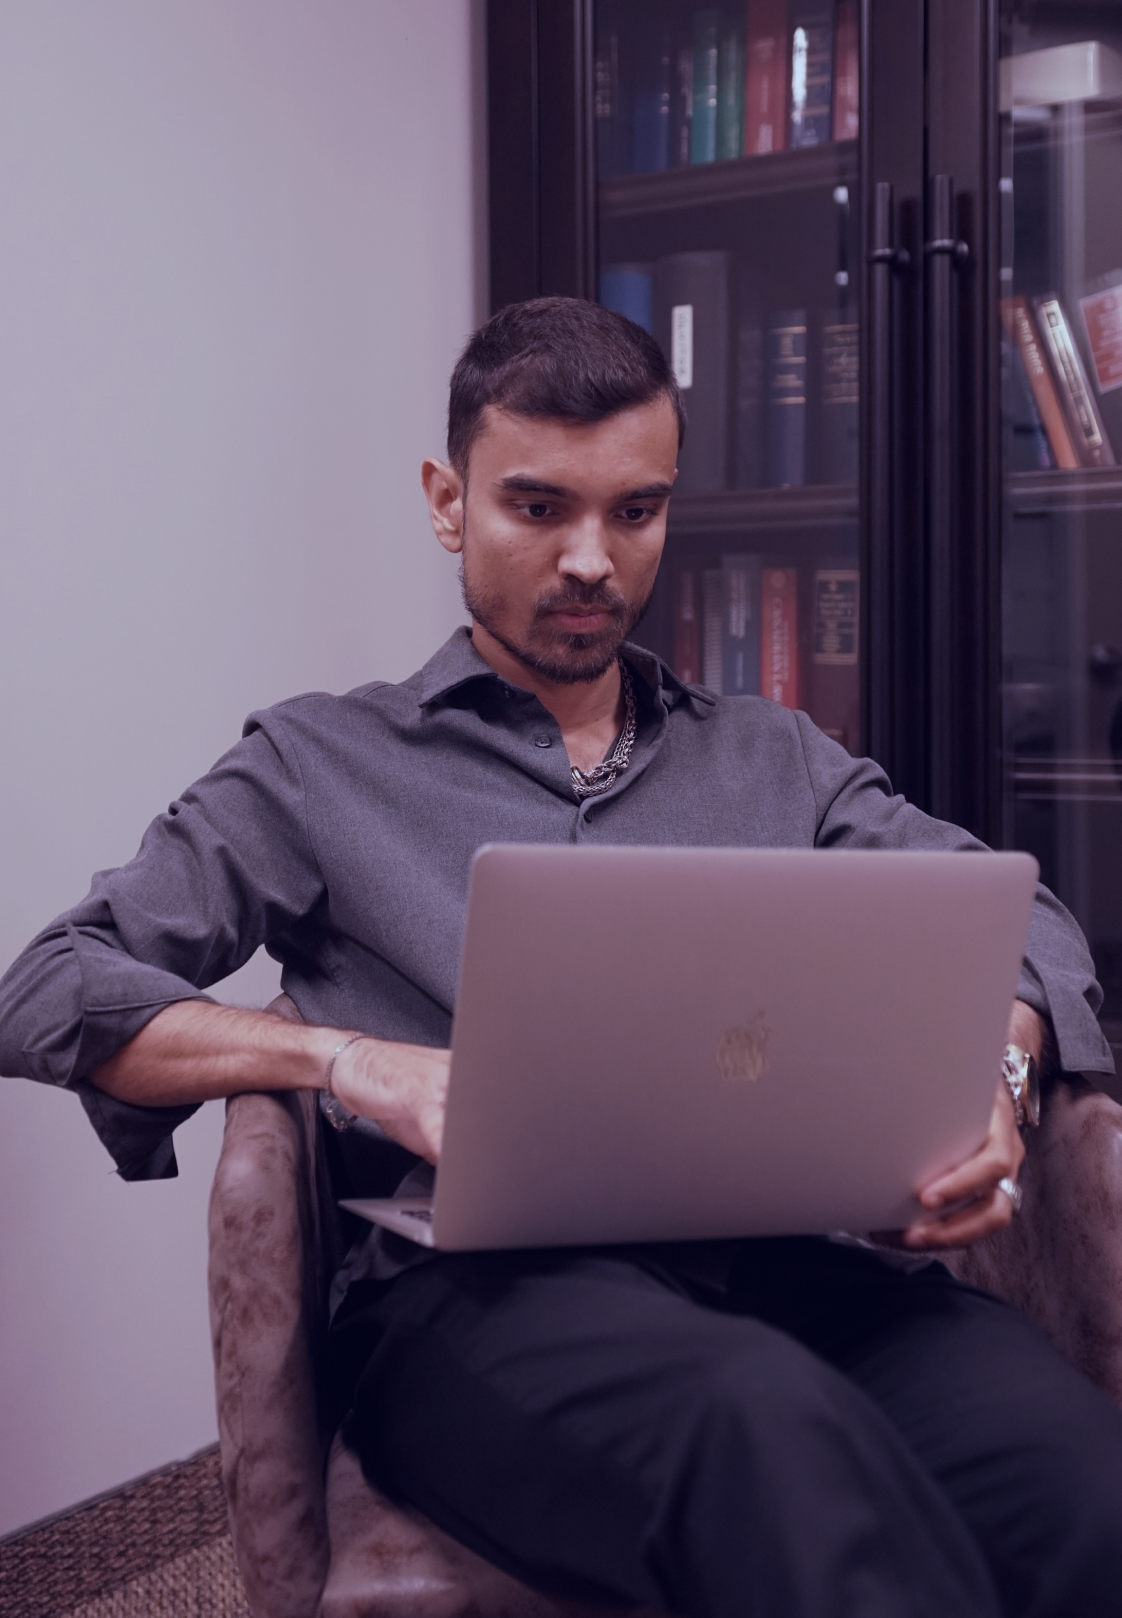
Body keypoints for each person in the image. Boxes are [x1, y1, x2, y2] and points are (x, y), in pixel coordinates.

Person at [1, 296, 1120, 1617]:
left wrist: (993, 1068)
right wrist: (352, 1063)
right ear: (445, 499)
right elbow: (50, 985)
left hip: (796, 1262)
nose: (590, 559)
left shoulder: (774, 756)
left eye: (633, 511)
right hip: (473, 1304)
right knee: (758, 1432)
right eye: (537, 508)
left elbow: (1025, 916)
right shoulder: (317, 766)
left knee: (1074, 1482)